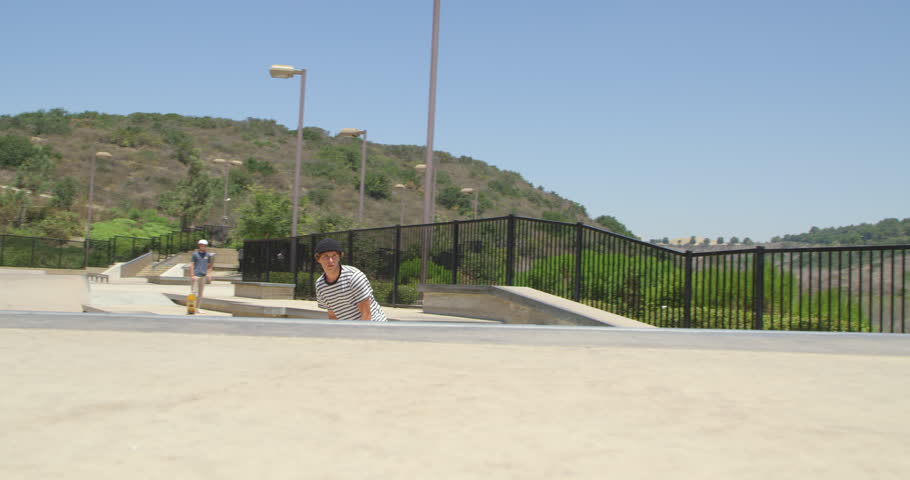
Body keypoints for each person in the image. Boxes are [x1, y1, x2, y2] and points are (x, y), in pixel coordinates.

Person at [313, 238, 387, 322]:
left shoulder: (354, 277)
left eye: (334, 255)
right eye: (326, 256)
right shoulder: (320, 285)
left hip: (375, 327)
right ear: (318, 259)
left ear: (339, 257)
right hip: (351, 330)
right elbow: (332, 316)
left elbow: (366, 314)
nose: (331, 260)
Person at [190, 239, 215, 313]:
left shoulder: (207, 255)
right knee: (194, 292)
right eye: (201, 245)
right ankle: (191, 307)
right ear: (199, 246)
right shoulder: (195, 254)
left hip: (203, 275)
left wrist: (209, 274)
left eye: (204, 245)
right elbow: (192, 264)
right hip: (196, 275)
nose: (202, 247)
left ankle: (198, 308)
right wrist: (192, 275)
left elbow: (209, 265)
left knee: (200, 293)